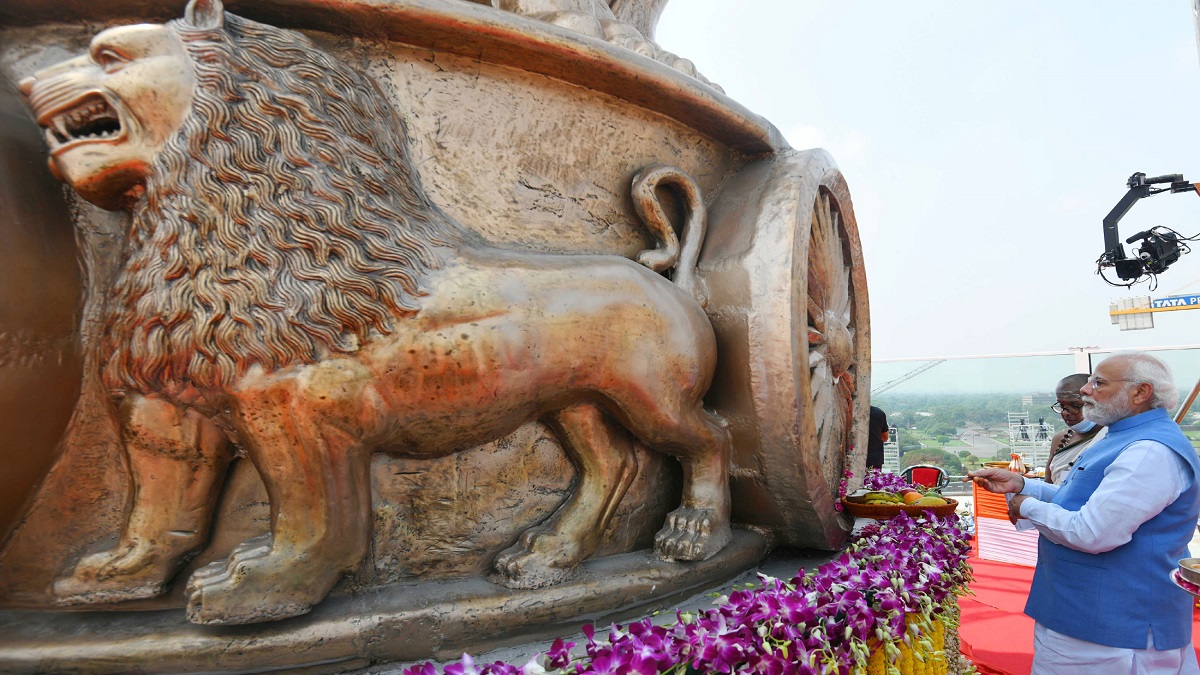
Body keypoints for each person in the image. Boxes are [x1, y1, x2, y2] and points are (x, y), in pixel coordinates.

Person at [968, 352, 1200, 674]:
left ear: (1141, 392)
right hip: (1086, 612)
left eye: (1098, 383)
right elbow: (1084, 500)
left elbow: (1092, 532)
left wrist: (1027, 506)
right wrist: (1025, 485)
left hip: (1114, 626)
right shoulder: (1120, 435)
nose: (1086, 390)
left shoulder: (1149, 451)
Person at [1044, 373, 1105, 485]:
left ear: (1096, 402)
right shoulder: (1060, 438)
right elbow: (1048, 484)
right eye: (1062, 406)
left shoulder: (1109, 437)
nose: (1065, 413)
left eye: (1075, 406)